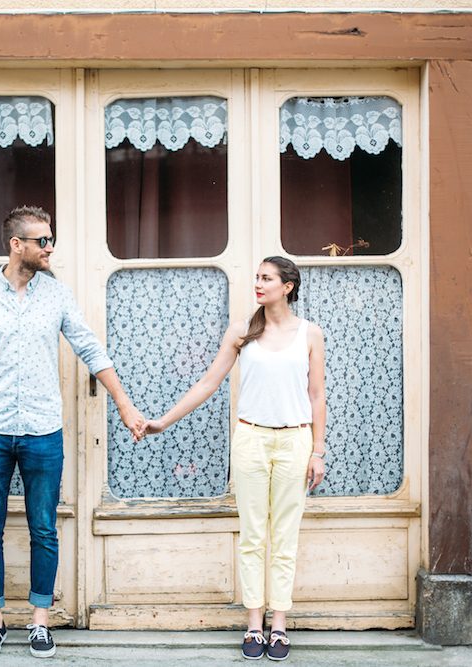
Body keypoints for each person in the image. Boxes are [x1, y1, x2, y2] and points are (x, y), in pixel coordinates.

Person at [0, 205, 144, 659]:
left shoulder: (56, 296)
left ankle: (39, 620)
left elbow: (89, 346)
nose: (50, 247)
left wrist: (124, 403)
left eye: (50, 239)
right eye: (43, 241)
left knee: (44, 529)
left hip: (43, 430)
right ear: (17, 244)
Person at [142, 256, 327, 662]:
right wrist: (164, 421)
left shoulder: (309, 335)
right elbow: (209, 382)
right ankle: (254, 623)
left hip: (295, 442)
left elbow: (316, 396)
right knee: (254, 535)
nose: (258, 284)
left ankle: (279, 625)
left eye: (266, 279)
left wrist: (317, 450)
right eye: (256, 277)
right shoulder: (243, 332)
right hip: (251, 439)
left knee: (285, 537)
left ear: (288, 286)